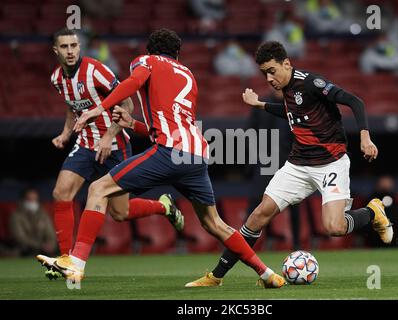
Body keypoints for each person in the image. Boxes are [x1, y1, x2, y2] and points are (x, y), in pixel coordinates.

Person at [39, 29, 285, 289]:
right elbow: (174, 125)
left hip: (168, 153)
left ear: (150, 50)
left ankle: (75, 263)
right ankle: (267, 273)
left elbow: (133, 83)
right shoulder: (188, 75)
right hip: (196, 156)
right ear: (177, 54)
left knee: (98, 189)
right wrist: (132, 124)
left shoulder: (146, 61)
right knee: (215, 224)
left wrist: (99, 108)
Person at [185, 41, 393, 287]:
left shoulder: (311, 83)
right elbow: (291, 112)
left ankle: (373, 212)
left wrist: (365, 137)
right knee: (257, 216)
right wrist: (260, 105)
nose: (269, 78)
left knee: (335, 227)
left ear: (287, 64)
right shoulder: (287, 90)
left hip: (331, 163)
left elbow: (355, 101)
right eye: (264, 74)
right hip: (297, 165)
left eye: (272, 70)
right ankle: (216, 276)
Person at [38, 28, 184, 279]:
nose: (70, 51)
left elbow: (127, 103)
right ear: (56, 51)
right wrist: (65, 134)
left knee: (120, 213)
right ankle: (66, 259)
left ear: (80, 47)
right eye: (64, 47)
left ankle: (163, 207)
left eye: (74, 45)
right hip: (85, 144)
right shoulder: (57, 79)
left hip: (115, 144)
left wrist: (107, 137)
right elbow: (72, 107)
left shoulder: (96, 70)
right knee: (61, 192)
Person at [245, 89, 300, 249]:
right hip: (264, 161)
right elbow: (250, 132)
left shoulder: (293, 105)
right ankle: (245, 244)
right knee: (257, 202)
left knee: (294, 204)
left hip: (287, 161)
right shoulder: (261, 105)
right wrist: (253, 160)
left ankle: (296, 243)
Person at [365, 175, 398, 247]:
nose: (386, 184)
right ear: (378, 184)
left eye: (388, 182)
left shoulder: (394, 201)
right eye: (383, 182)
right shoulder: (372, 202)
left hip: (397, 241)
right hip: (377, 239)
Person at [9, 188, 57, 256]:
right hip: (24, 251)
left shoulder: (43, 214)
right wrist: (40, 246)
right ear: (23, 200)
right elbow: (20, 237)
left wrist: (51, 245)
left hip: (44, 251)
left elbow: (51, 234)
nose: (32, 202)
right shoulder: (16, 216)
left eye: (35, 199)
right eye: (29, 199)